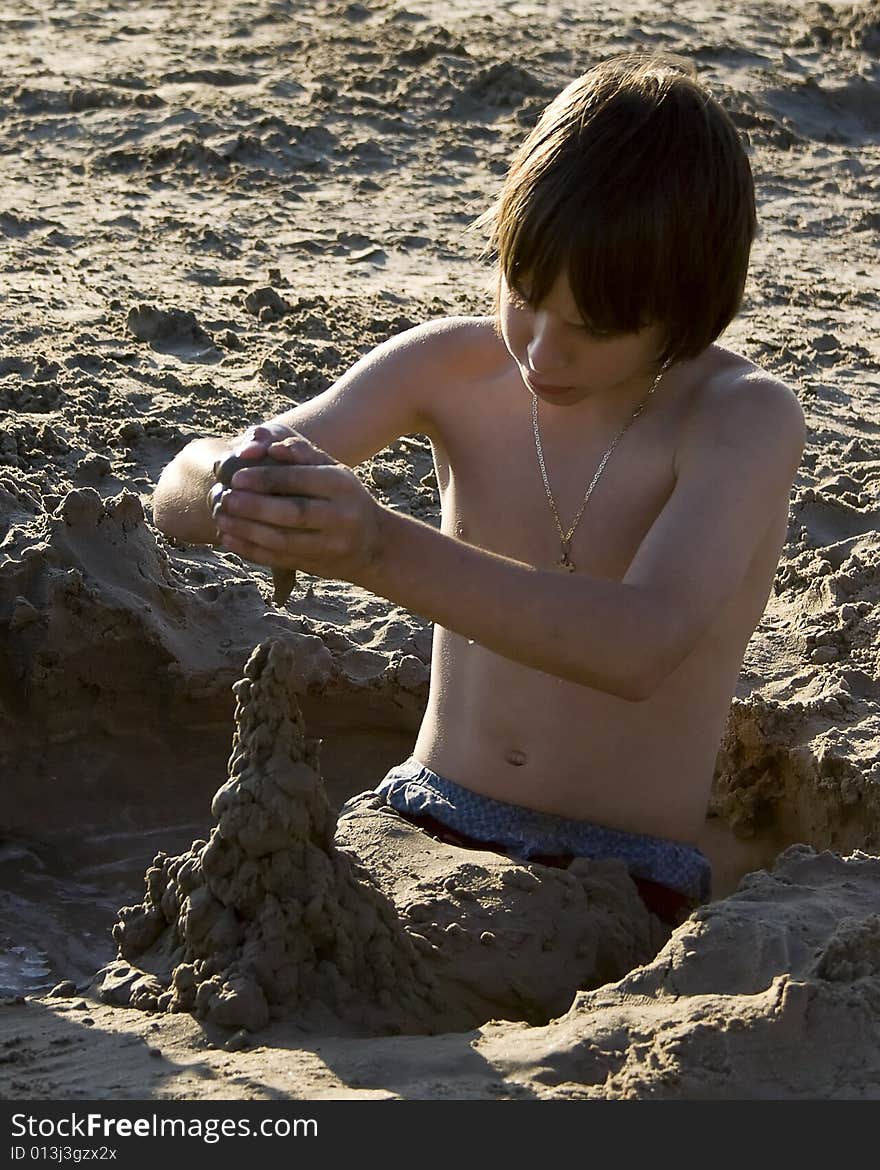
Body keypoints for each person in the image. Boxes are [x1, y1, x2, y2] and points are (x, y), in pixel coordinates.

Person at [153, 52, 805, 929]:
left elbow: (640, 645)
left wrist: (376, 547)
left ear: (691, 307)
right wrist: (243, 485)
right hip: (418, 815)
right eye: (525, 297)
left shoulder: (740, 418)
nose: (542, 352)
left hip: (616, 871)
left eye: (595, 329)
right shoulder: (453, 365)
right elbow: (178, 488)